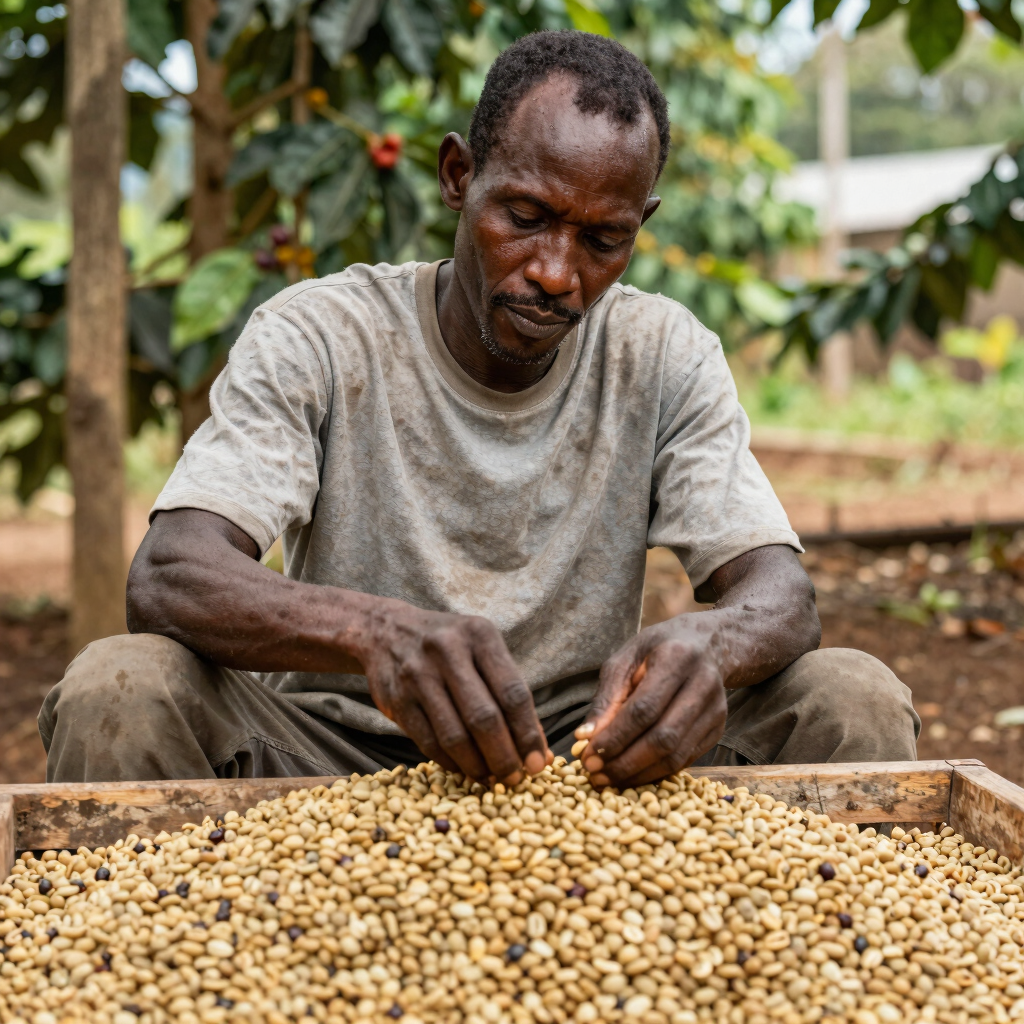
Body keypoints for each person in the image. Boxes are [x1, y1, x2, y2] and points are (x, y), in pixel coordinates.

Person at [39, 30, 919, 785]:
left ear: (638, 225)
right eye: (526, 216)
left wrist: (709, 648)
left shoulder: (663, 353)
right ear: (460, 176)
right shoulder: (321, 333)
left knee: (851, 695)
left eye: (604, 239)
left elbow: (781, 598)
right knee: (120, 685)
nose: (556, 273)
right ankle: (144, 985)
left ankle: (831, 976)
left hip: (587, 764)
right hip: (329, 754)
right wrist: (375, 636)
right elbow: (170, 574)